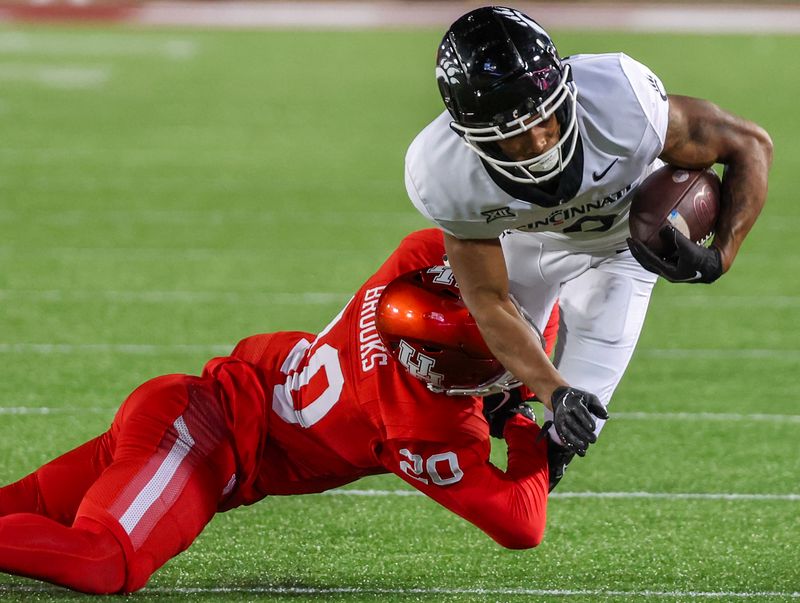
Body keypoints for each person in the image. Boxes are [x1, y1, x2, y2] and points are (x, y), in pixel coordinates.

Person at [0, 229, 569, 595]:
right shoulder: (417, 427)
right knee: (104, 561)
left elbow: (476, 265)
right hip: (198, 442)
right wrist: (523, 426)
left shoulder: (415, 264)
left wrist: (517, 391)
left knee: (29, 508)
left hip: (190, 406)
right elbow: (522, 524)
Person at [405, 6, 772, 474]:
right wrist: (549, 388)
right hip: (525, 242)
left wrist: (721, 255)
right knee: (465, 355)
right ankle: (502, 404)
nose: (539, 141)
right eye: (513, 134)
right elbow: (488, 300)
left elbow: (751, 144)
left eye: (546, 117)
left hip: (624, 250)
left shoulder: (621, 102)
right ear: (472, 137)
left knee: (567, 436)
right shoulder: (443, 173)